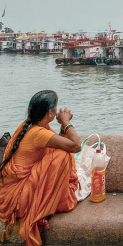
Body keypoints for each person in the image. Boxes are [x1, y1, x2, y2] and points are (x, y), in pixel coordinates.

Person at [0, 90, 81, 246]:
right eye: (55, 109)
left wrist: (63, 128)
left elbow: (59, 143)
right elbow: (75, 146)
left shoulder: (31, 125)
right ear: (50, 112)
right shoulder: (38, 133)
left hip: (14, 190)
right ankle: (39, 209)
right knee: (61, 156)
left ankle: (41, 203)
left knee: (59, 153)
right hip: (18, 197)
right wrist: (65, 122)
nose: (57, 112)